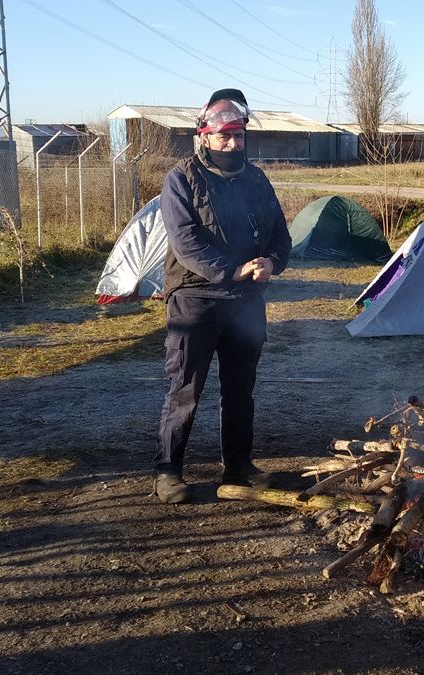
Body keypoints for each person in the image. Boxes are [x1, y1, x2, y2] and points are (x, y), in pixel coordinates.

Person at [153, 88, 292, 504]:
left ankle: (238, 465)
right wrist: (230, 270)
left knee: (239, 389)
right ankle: (167, 472)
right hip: (195, 299)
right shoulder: (181, 178)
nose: (233, 143)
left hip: (247, 301)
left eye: (240, 135)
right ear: (205, 136)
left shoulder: (256, 178)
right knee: (185, 390)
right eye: (225, 135)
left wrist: (271, 262)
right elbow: (186, 243)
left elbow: (281, 236)